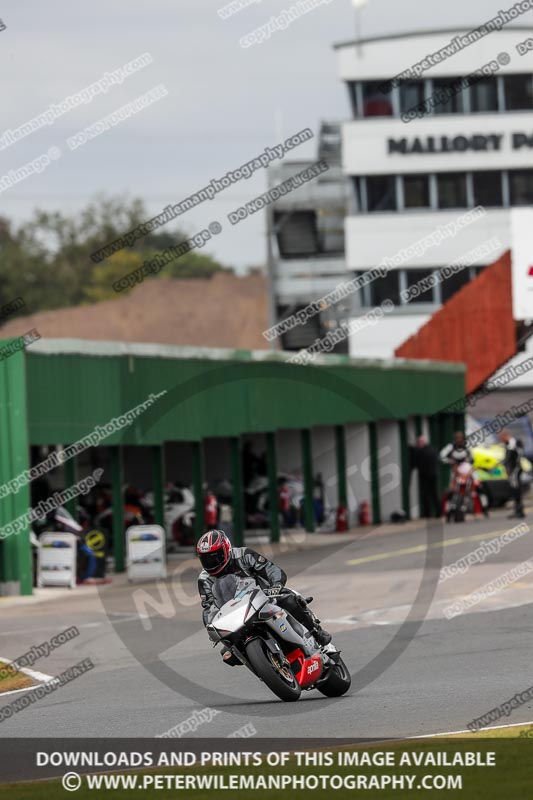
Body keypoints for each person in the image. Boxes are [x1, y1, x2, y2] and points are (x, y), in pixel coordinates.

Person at [196, 530, 332, 665]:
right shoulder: (204, 579)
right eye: (205, 558)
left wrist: (276, 585)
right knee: (228, 654)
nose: (210, 562)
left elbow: (271, 569)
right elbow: (209, 607)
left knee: (290, 600)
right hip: (235, 615)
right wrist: (212, 627)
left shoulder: (244, 555)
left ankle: (316, 632)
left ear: (226, 549)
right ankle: (266, 665)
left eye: (214, 557)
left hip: (265, 599)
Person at [411, 436, 441, 518]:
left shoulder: (422, 452)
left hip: (427, 475)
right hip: (432, 475)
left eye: (419, 442)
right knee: (433, 494)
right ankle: (437, 512)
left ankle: (429, 513)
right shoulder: (432, 450)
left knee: (427, 494)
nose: (418, 444)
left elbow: (418, 463)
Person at [498, 430, 525, 519]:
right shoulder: (509, 444)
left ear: (505, 436)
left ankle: (519, 511)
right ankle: (517, 510)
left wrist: (507, 464)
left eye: (501, 438)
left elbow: (513, 457)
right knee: (514, 490)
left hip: (515, 470)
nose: (501, 440)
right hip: (512, 470)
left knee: (516, 490)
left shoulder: (514, 443)